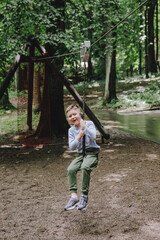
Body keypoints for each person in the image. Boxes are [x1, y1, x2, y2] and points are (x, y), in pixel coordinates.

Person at [64, 104, 100, 211]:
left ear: (79, 114)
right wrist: (79, 136)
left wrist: (85, 129)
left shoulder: (89, 123)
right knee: (70, 169)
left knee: (85, 167)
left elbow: (93, 137)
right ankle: (74, 197)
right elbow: (72, 147)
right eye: (70, 116)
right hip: (81, 155)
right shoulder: (71, 130)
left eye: (74, 114)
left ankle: (84, 197)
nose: (73, 117)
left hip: (91, 153)